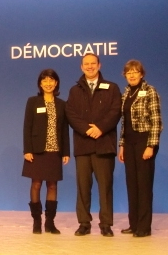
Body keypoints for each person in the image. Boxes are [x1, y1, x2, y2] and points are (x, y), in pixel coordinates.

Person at [65, 53, 121, 237]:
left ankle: (106, 224)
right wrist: (86, 130)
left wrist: (101, 128)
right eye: (86, 64)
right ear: (81, 67)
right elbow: (71, 114)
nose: (90, 66)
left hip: (104, 145)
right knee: (83, 187)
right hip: (83, 145)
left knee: (105, 187)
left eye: (93, 63)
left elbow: (115, 111)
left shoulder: (112, 88)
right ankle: (84, 223)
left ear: (99, 65)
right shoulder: (74, 91)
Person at [118, 59, 163, 237]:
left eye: (135, 71)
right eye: (128, 72)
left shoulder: (150, 91)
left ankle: (144, 227)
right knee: (132, 185)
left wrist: (151, 145)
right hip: (129, 143)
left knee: (144, 186)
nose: (132, 75)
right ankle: (134, 224)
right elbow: (124, 123)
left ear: (141, 74)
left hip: (144, 142)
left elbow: (156, 121)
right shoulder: (126, 93)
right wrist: (122, 145)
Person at [22, 69, 70, 234]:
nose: (48, 83)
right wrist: (27, 150)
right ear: (40, 83)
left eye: (51, 80)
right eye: (45, 81)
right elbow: (27, 126)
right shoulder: (33, 101)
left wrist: (65, 152)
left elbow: (64, 129)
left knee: (52, 186)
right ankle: (37, 221)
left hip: (54, 150)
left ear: (56, 83)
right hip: (36, 150)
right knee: (36, 184)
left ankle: (50, 223)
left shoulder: (62, 104)